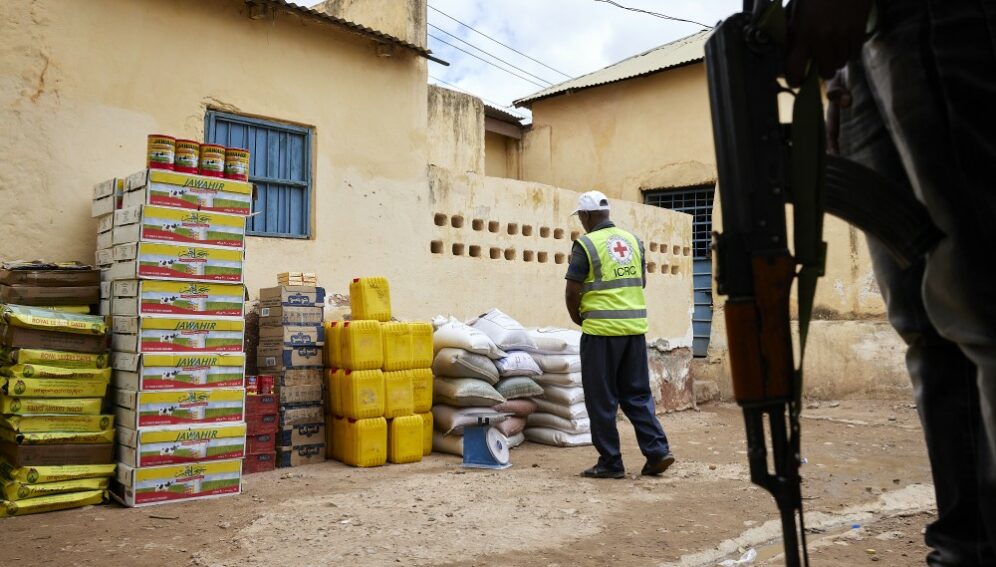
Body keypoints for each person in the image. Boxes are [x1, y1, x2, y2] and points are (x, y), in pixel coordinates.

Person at [787, 1, 996, 564]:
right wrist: (835, 82)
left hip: (924, 15)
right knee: (924, 328)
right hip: (854, 59)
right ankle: (965, 549)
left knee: (981, 302)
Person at [563, 190, 675, 479]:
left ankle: (610, 462)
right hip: (634, 332)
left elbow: (572, 291)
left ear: (586, 216)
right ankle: (657, 452)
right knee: (637, 395)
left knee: (601, 400)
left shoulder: (585, 244)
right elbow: (642, 281)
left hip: (601, 334)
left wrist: (581, 319)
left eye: (582, 218)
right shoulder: (633, 241)